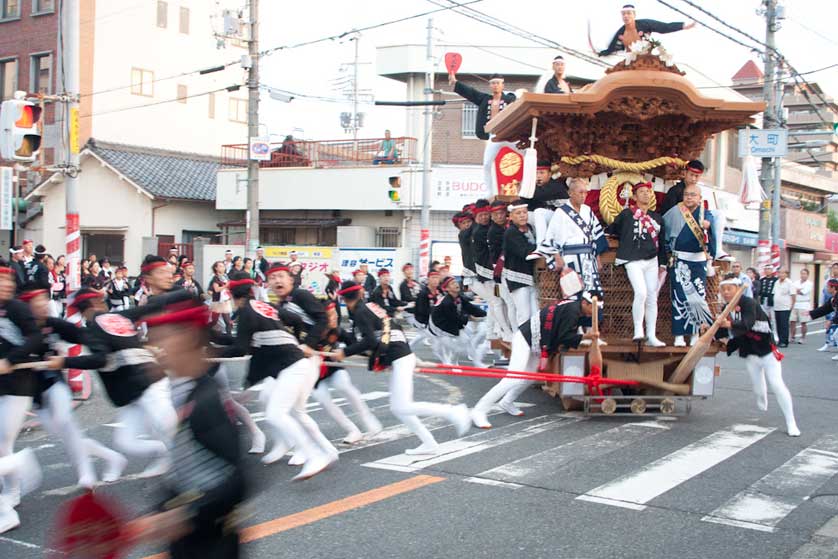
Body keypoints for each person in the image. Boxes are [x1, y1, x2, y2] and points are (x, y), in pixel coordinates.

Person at [131, 300, 247, 559]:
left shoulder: (207, 401)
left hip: (213, 544)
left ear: (189, 337)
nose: (154, 347)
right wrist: (159, 512)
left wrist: (186, 513)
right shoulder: (183, 391)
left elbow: (239, 478)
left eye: (162, 338)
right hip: (191, 540)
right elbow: (181, 473)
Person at [44, 287, 187, 478]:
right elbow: (145, 309)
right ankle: (167, 454)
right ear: (97, 303)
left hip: (149, 384)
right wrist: (173, 297)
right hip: (133, 391)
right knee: (127, 441)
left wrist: (64, 362)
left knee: (167, 427)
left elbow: (100, 359)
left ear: (82, 309)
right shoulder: (119, 316)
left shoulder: (95, 327)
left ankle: (190, 467)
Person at [334, 280, 471, 456]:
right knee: (399, 408)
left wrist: (344, 353)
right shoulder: (372, 307)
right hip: (400, 353)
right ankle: (429, 443)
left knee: (403, 406)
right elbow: (392, 328)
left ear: (344, 299)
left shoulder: (361, 312)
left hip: (399, 356)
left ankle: (454, 412)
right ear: (360, 294)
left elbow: (369, 341)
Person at [224, 273, 337, 478]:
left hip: (293, 366)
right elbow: (293, 320)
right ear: (251, 290)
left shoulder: (245, 312)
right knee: (291, 410)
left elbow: (240, 348)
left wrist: (305, 343)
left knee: (277, 413)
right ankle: (326, 450)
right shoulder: (265, 307)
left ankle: (313, 454)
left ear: (232, 296)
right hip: (294, 364)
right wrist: (294, 340)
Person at [18, 289, 127, 488]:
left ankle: (86, 473)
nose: (43, 306)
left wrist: (109, 344)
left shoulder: (53, 324)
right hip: (35, 393)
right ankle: (112, 456)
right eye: (37, 303)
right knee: (68, 437)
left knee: (64, 421)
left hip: (55, 383)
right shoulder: (19, 328)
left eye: (45, 302)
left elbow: (83, 336)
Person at [471, 293, 598, 428]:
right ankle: (479, 410)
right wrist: (586, 336)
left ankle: (507, 401)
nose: (592, 313)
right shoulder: (573, 311)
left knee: (530, 376)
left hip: (534, 340)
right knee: (512, 378)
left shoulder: (573, 307)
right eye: (593, 309)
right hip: (525, 339)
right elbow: (564, 336)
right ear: (585, 303)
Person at [716, 274, 800, 437]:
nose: (726, 292)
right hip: (750, 354)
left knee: (777, 385)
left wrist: (729, 324)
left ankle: (791, 422)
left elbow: (747, 323)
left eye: (729, 289)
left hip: (767, 352)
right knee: (758, 390)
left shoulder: (749, 303)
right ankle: (762, 399)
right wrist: (711, 330)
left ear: (738, 290)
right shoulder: (725, 308)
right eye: (723, 289)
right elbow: (721, 331)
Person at [0, 264, 44, 532]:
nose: (6, 285)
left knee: (3, 445)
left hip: (19, 386)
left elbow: (36, 338)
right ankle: (12, 491)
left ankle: (7, 509)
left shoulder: (17, 309)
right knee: (3, 447)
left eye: (8, 280)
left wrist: (10, 360)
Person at [310, 302, 383, 444]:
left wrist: (372, 355)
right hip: (314, 374)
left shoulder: (337, 330)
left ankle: (370, 422)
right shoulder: (311, 331)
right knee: (324, 400)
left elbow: (354, 343)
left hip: (333, 367)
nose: (334, 319)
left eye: (335, 315)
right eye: (329, 316)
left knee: (346, 387)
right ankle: (352, 430)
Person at [606, 181, 666, 346]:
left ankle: (651, 335)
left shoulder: (657, 218)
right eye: (641, 191)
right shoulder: (626, 215)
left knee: (652, 296)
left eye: (648, 191)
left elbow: (661, 243)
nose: (646, 194)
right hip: (632, 259)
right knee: (641, 292)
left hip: (651, 260)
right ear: (634, 196)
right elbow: (613, 230)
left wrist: (663, 263)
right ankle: (638, 330)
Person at [530, 177, 609, 299]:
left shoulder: (587, 211)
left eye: (585, 192)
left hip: (588, 259)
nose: (584, 196)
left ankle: (590, 318)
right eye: (580, 192)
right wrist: (557, 257)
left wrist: (597, 256)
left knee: (591, 296)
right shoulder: (561, 213)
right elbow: (551, 237)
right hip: (570, 258)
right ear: (570, 193)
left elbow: (594, 235)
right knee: (573, 296)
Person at [663, 182, 716, 346]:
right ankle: (679, 335)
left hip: (698, 263)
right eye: (687, 194)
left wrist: (708, 226)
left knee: (697, 298)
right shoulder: (674, 212)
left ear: (700, 198)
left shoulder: (705, 214)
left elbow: (711, 235)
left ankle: (695, 333)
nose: (689, 197)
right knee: (679, 297)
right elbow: (664, 230)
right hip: (679, 261)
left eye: (693, 195)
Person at [449, 72, 518, 191]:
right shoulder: (485, 99)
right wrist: (455, 82)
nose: (495, 85)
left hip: (508, 134)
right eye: (493, 83)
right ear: (490, 86)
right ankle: (489, 192)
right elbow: (471, 92)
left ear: (502, 85)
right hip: (494, 136)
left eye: (498, 83)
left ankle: (528, 188)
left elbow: (517, 99)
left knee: (527, 154)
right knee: (487, 164)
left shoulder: (509, 99)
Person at [597, 3, 695, 57]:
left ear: (634, 15)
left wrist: (683, 26)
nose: (626, 16)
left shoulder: (645, 24)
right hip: (630, 60)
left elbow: (664, 27)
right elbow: (613, 48)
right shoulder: (621, 32)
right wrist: (602, 53)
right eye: (624, 14)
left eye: (629, 13)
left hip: (647, 58)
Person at [431, 276, 488, 366]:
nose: (456, 284)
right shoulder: (447, 302)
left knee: (466, 341)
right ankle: (448, 359)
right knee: (459, 347)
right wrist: (469, 318)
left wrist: (486, 314)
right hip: (440, 328)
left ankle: (477, 363)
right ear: (447, 289)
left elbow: (471, 308)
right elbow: (455, 319)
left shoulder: (459, 297)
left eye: (456, 282)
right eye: (452, 283)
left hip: (451, 324)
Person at [502, 201, 538, 329]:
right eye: (518, 213)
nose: (522, 215)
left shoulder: (531, 228)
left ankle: (534, 344)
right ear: (511, 216)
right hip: (517, 277)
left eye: (524, 212)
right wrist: (540, 248)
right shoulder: (511, 232)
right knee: (524, 314)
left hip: (532, 277)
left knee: (535, 314)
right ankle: (522, 343)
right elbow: (524, 251)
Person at [522, 161, 569, 247]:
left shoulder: (555, 186)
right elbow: (524, 202)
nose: (538, 176)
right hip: (550, 220)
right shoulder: (537, 187)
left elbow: (538, 194)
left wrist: (525, 186)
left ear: (550, 174)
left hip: (564, 219)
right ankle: (531, 243)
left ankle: (542, 245)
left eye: (542, 173)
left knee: (539, 212)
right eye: (536, 173)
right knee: (524, 215)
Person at [487, 200, 514, 342]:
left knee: (500, 302)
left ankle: (500, 329)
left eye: (501, 214)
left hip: (501, 271)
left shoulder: (505, 227)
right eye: (496, 214)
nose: (499, 217)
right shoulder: (494, 231)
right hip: (498, 270)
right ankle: (506, 330)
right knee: (503, 302)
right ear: (492, 216)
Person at [812, 279, 838, 357]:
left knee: (836, 335)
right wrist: (810, 313)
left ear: (833, 288)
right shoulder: (833, 299)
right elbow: (824, 308)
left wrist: (831, 321)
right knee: (835, 335)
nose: (826, 288)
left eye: (828, 287)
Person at [208, 261, 233, 335]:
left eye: (223, 266)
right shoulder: (215, 278)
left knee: (228, 322)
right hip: (218, 301)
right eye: (220, 266)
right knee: (214, 321)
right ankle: (204, 330)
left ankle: (229, 337)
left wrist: (229, 292)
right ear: (216, 268)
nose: (222, 268)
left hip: (225, 300)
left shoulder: (226, 276)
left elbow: (228, 288)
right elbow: (216, 289)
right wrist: (226, 286)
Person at [790, 268, 813, 344]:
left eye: (805, 274)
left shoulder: (809, 283)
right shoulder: (796, 282)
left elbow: (803, 292)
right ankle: (792, 337)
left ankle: (802, 337)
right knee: (792, 321)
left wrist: (797, 290)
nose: (803, 275)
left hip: (804, 304)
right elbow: (792, 290)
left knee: (803, 322)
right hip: (795, 303)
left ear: (807, 275)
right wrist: (797, 289)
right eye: (802, 273)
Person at [772, 269, 794, 348]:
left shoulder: (789, 283)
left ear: (786, 274)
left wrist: (792, 306)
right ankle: (780, 340)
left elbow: (793, 295)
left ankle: (785, 341)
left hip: (785, 307)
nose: (781, 274)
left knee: (784, 324)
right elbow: (774, 293)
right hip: (777, 307)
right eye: (779, 273)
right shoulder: (776, 282)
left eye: (783, 273)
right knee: (778, 324)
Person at [456, 209, 477, 287]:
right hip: (471, 273)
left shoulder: (474, 233)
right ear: (459, 226)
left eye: (469, 222)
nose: (467, 225)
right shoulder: (462, 235)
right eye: (463, 223)